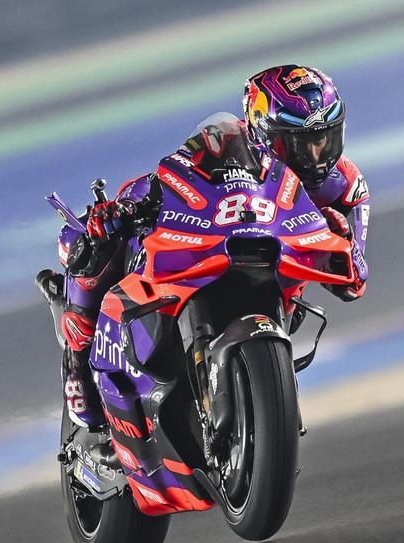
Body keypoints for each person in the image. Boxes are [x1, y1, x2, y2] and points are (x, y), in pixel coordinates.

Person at [51, 65, 370, 431]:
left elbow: (354, 280)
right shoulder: (224, 142)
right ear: (262, 134)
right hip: (211, 247)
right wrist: (122, 208)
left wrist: (338, 236)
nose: (315, 156)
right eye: (299, 143)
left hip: (279, 286)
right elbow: (169, 174)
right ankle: (76, 361)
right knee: (91, 244)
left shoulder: (344, 185)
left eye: (324, 140)